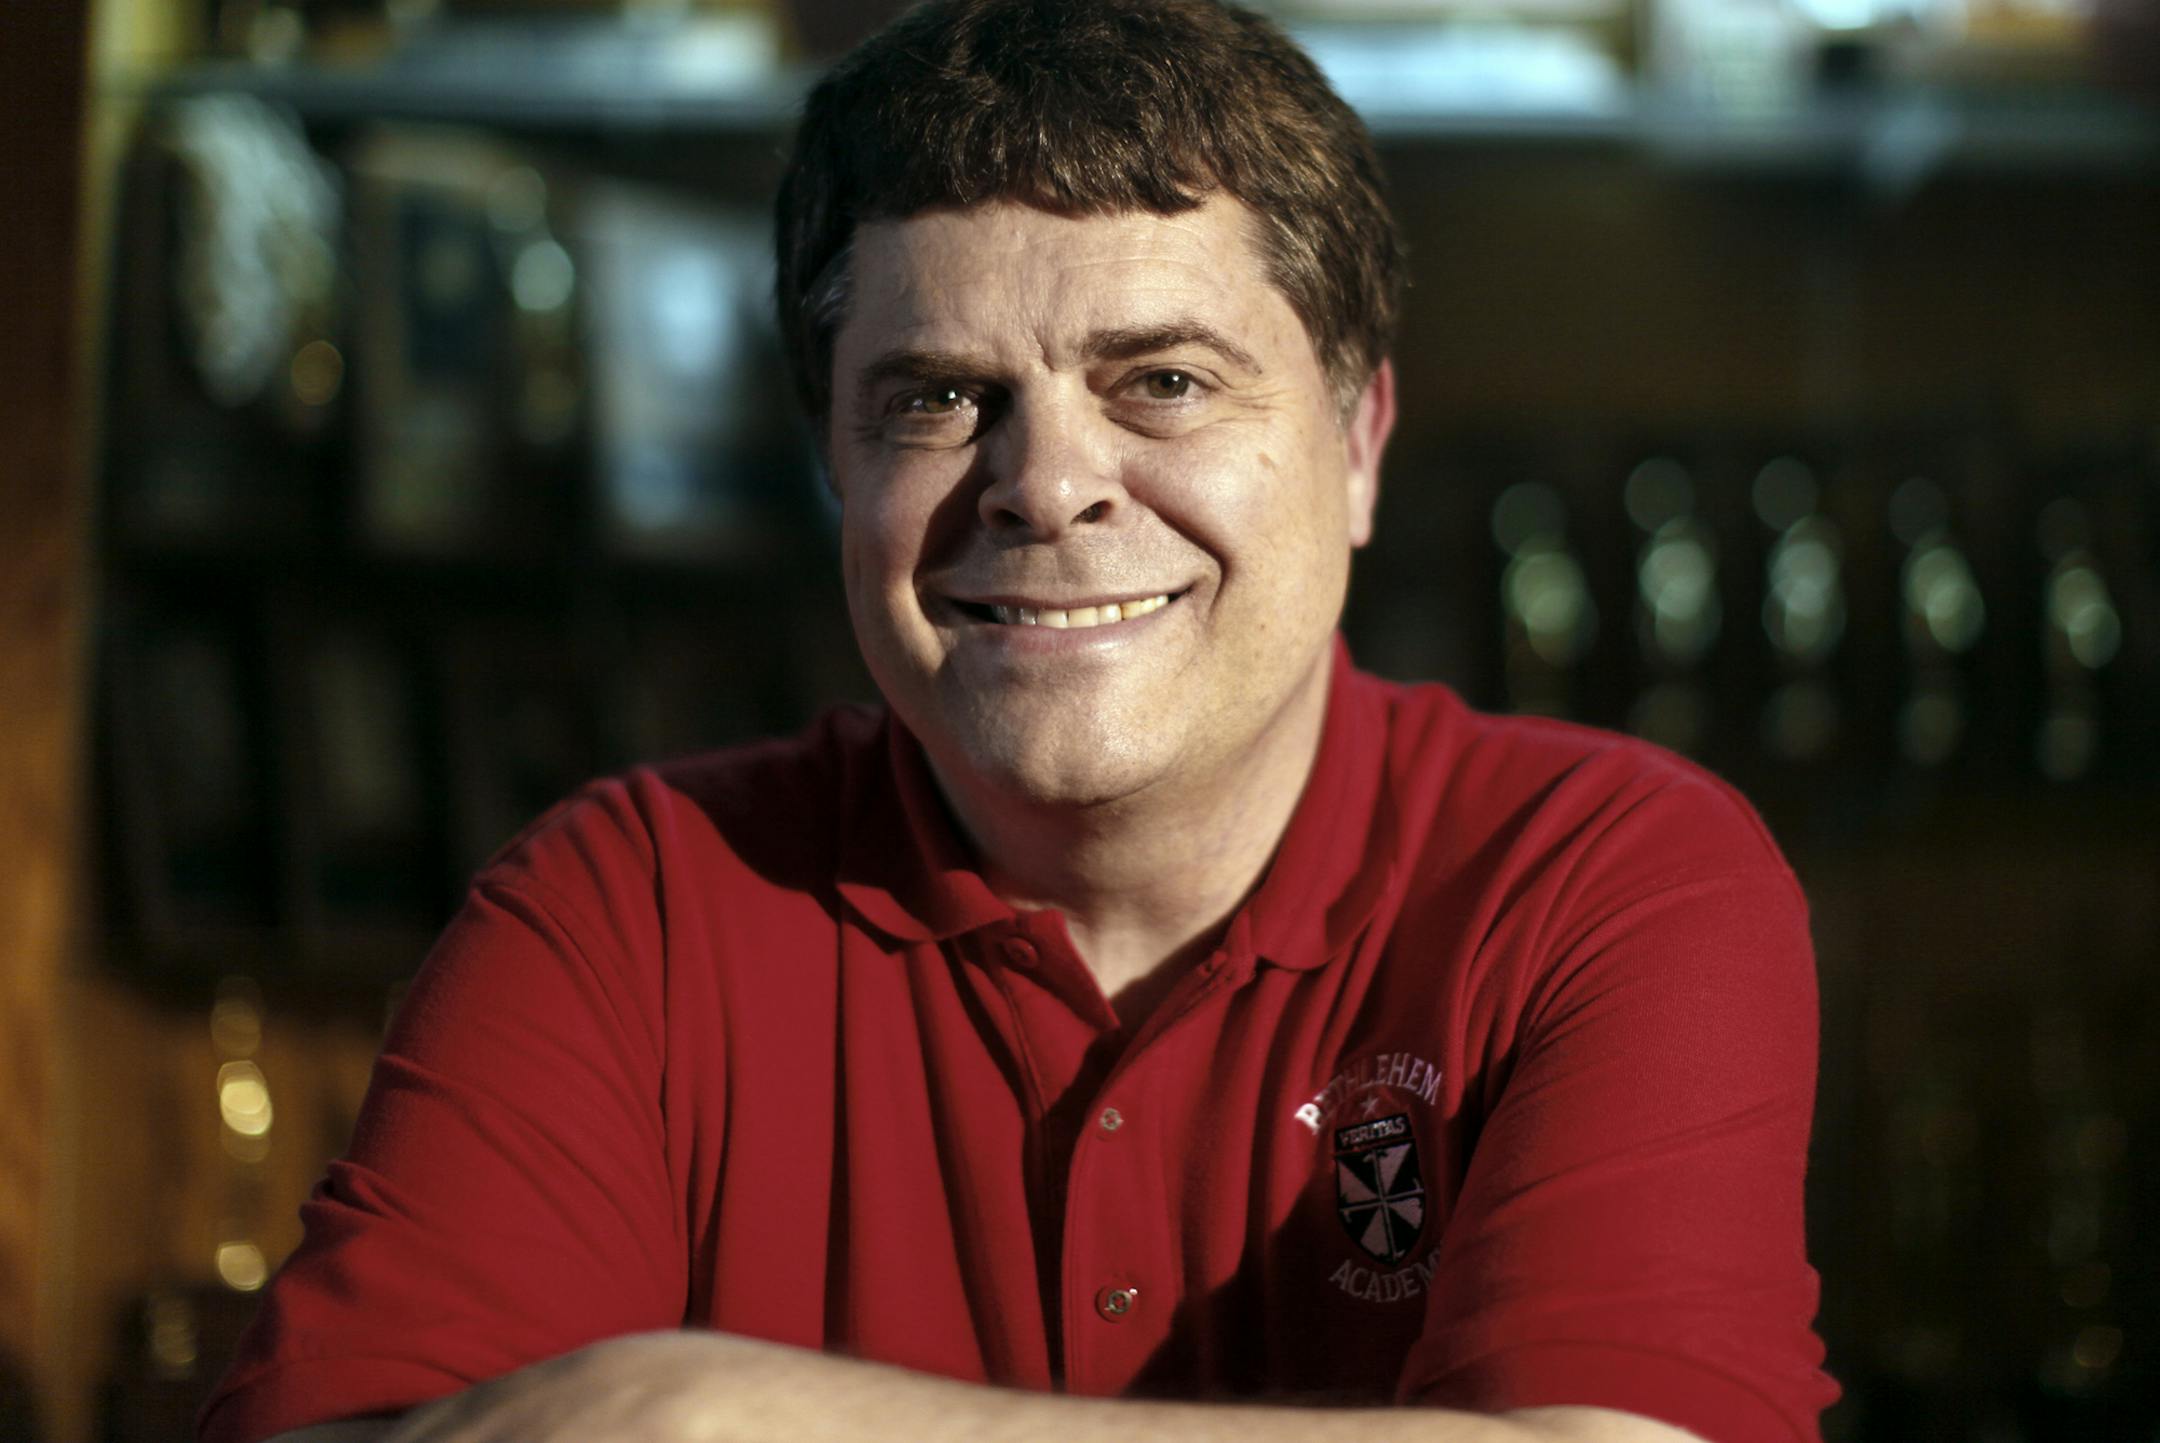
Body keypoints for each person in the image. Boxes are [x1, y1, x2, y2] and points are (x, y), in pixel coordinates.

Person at [200, 2, 1838, 1440]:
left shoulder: (1606, 882)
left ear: (1357, 442)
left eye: (1165, 383)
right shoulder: (626, 906)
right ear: (835, 463)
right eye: (936, 398)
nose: (1045, 484)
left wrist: (721, 1420)